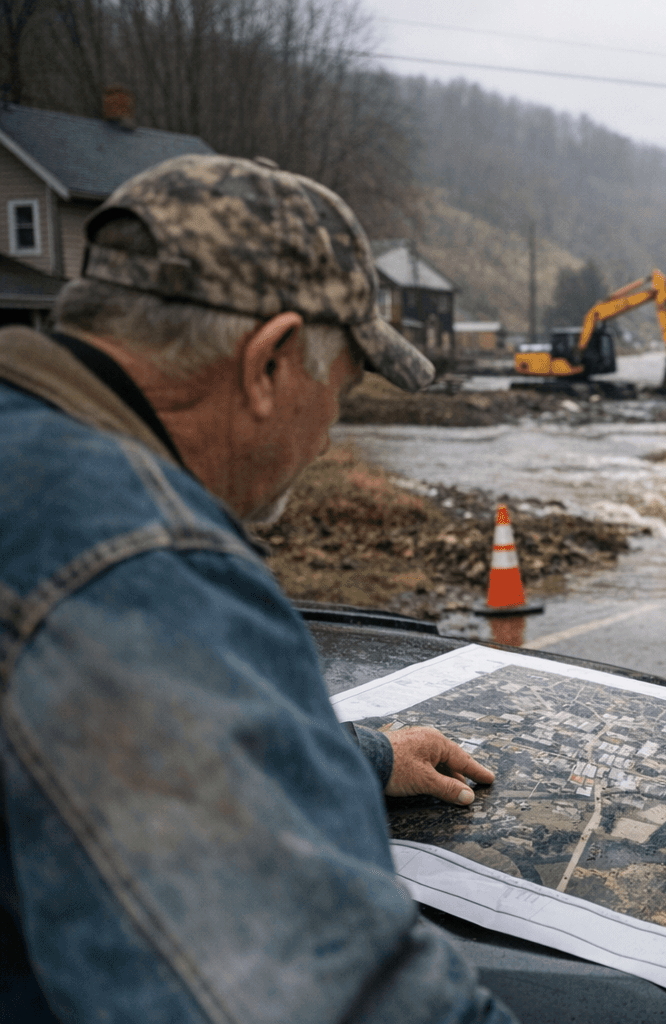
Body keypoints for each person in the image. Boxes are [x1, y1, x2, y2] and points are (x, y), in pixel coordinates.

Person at [0, 155, 516, 1021]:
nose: (329, 436)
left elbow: (126, 745)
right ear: (270, 362)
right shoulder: (140, 575)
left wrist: (365, 758)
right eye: (343, 388)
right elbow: (332, 997)